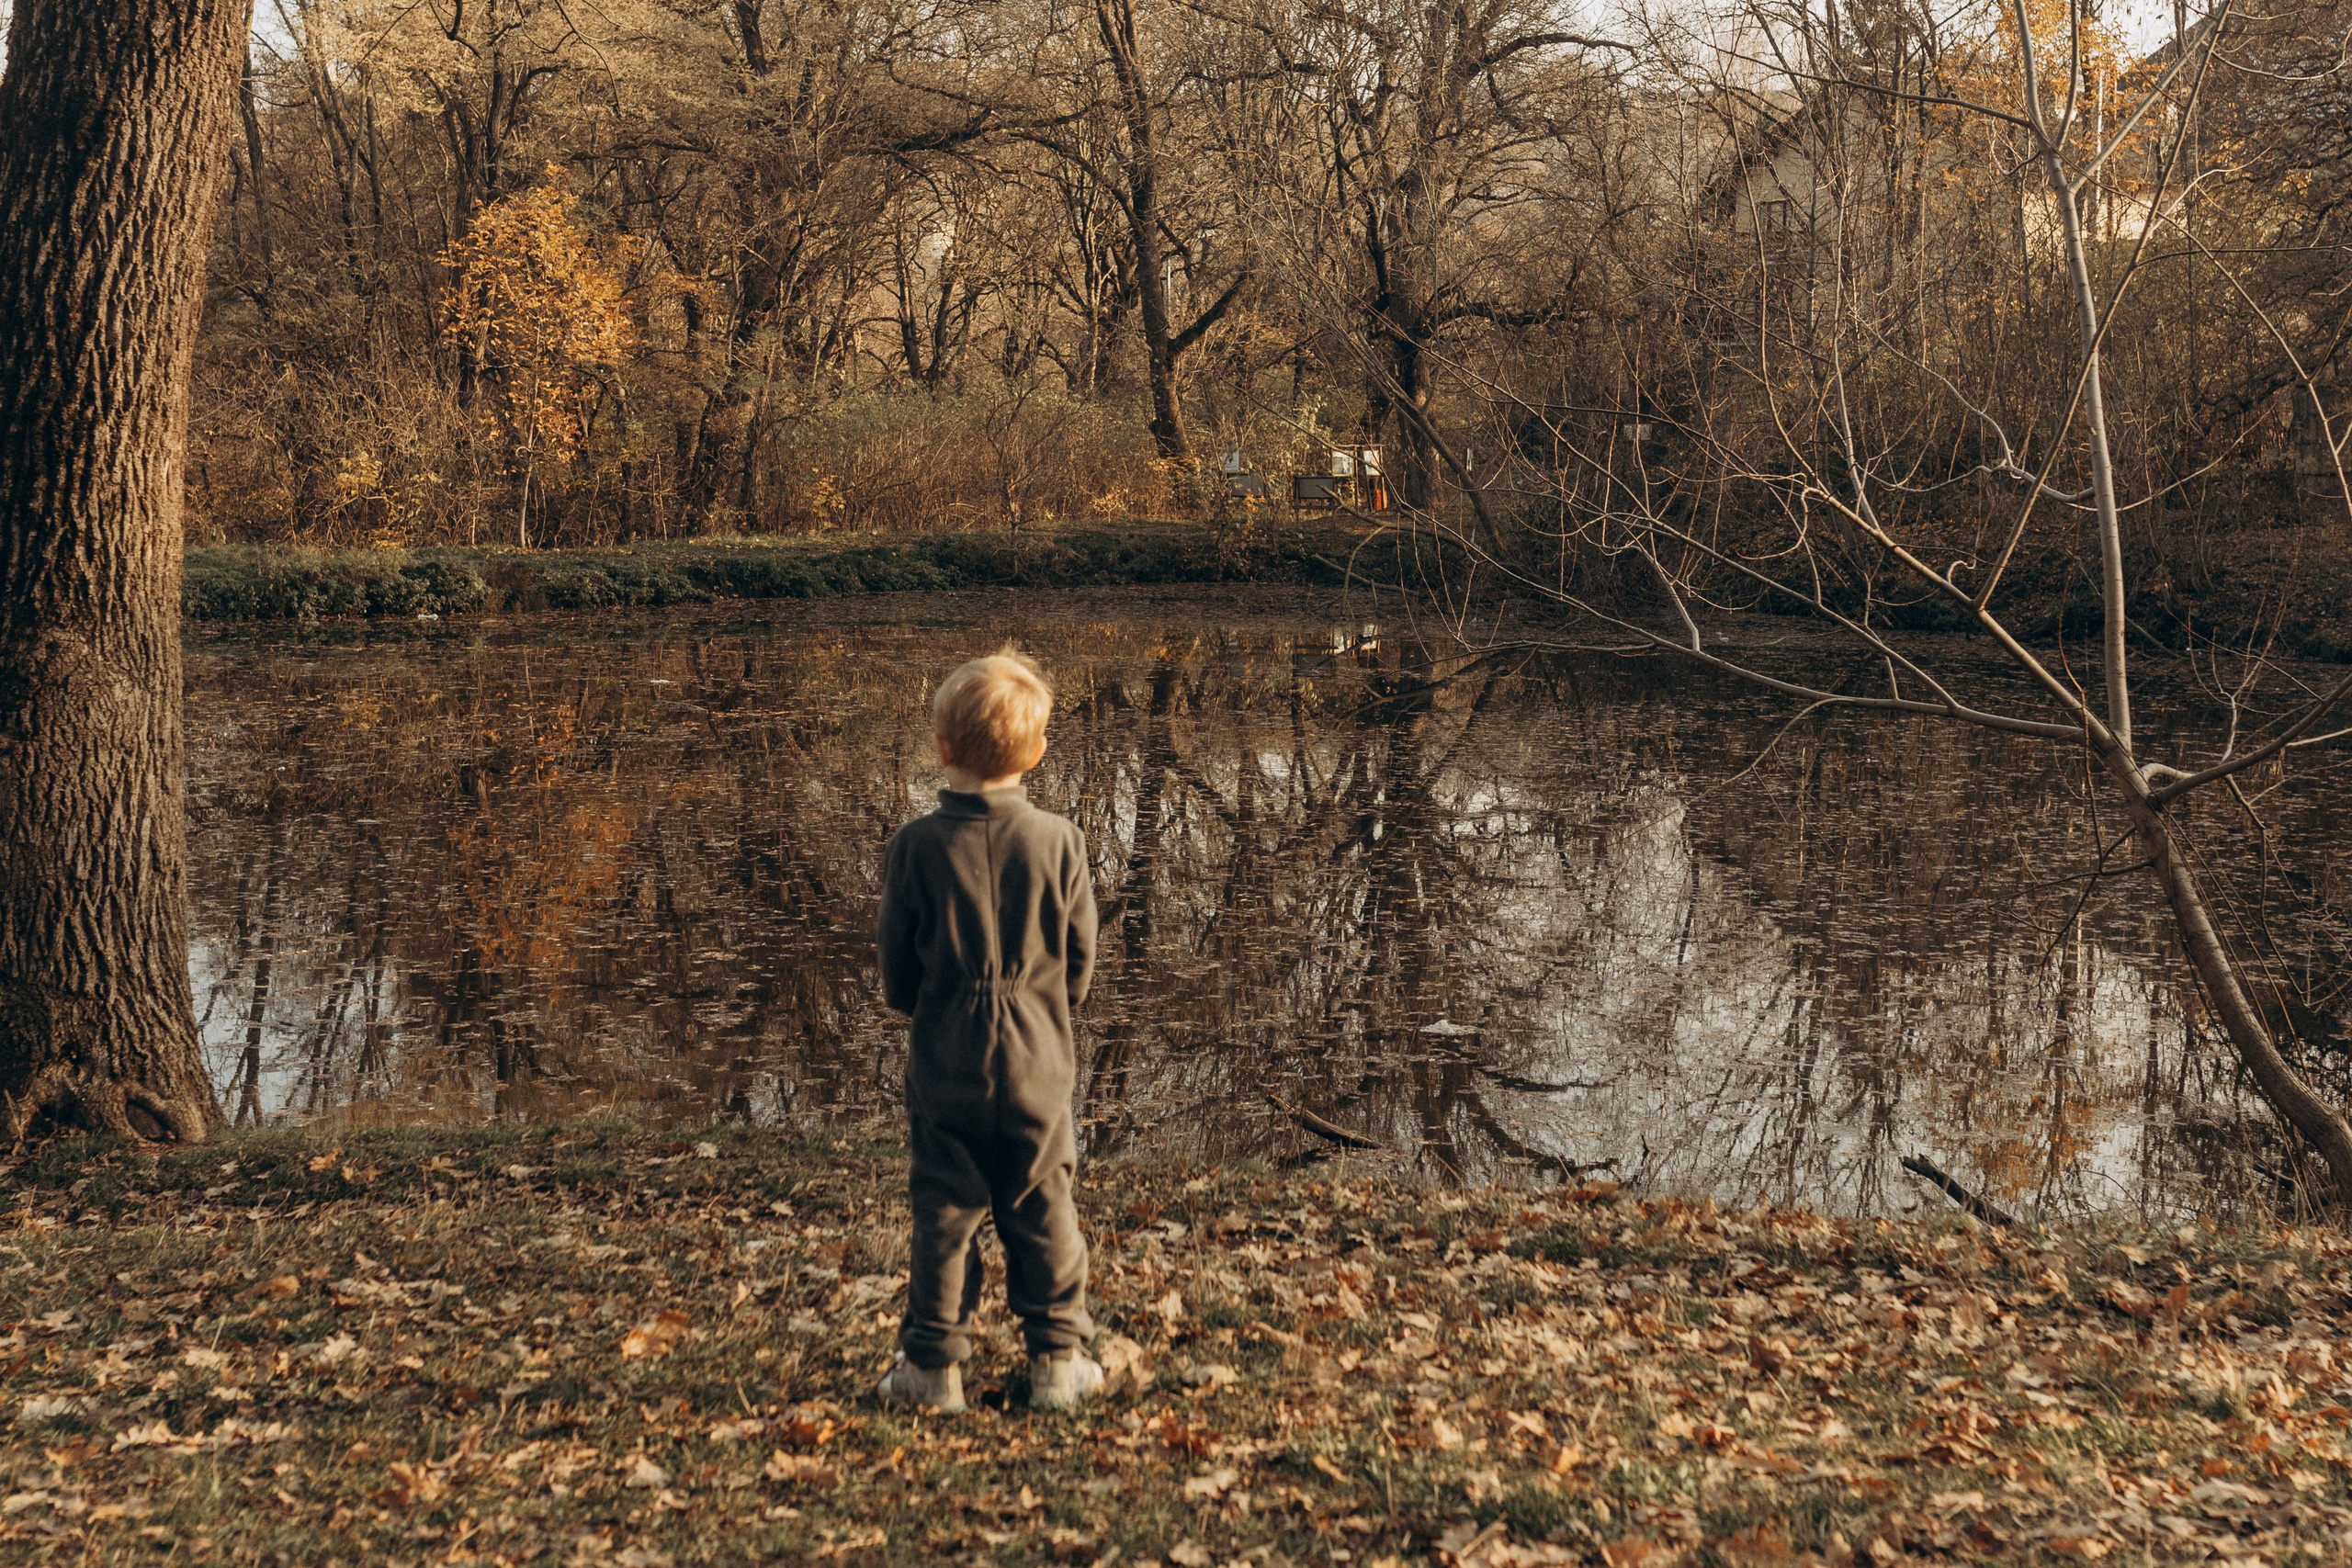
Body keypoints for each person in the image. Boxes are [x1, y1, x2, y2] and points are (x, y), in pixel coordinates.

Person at [873, 648, 1102, 1413]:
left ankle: (932, 1368)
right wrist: (1048, 1012)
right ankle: (1058, 1363)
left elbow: (898, 970)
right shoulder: (1061, 841)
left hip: (949, 1059)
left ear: (943, 748)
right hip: (1039, 1059)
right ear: (1036, 751)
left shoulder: (915, 847)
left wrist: (929, 1008)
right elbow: (1079, 959)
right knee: (1044, 1206)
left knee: (945, 1212)